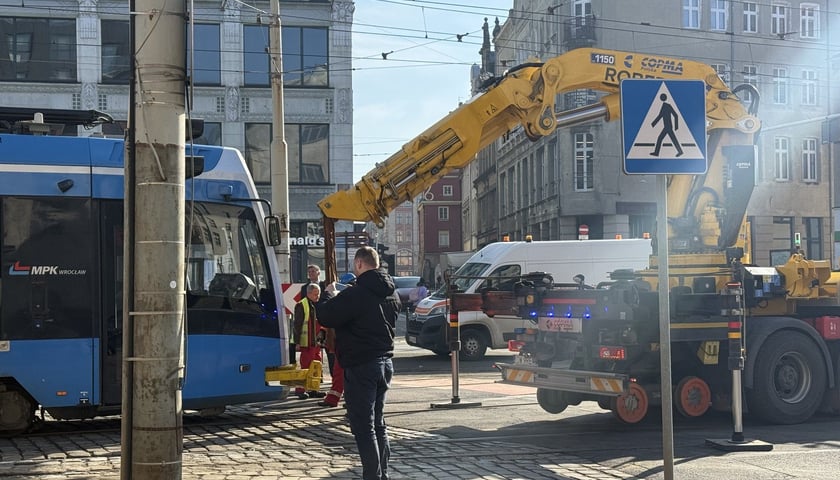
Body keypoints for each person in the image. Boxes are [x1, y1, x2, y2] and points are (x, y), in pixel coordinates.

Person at [319, 246, 400, 480]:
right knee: (378, 423)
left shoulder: (356, 294)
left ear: (359, 264)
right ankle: (382, 474)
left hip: (361, 365)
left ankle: (372, 476)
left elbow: (326, 315)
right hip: (385, 362)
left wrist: (328, 294)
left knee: (364, 427)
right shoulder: (391, 292)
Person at [292, 283, 326, 399]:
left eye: (319, 294)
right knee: (306, 366)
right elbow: (297, 325)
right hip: (307, 343)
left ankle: (313, 389)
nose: (318, 296)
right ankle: (300, 389)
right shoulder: (302, 305)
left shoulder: (315, 304)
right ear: (309, 293)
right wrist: (297, 342)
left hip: (315, 343)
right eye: (316, 294)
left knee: (316, 366)